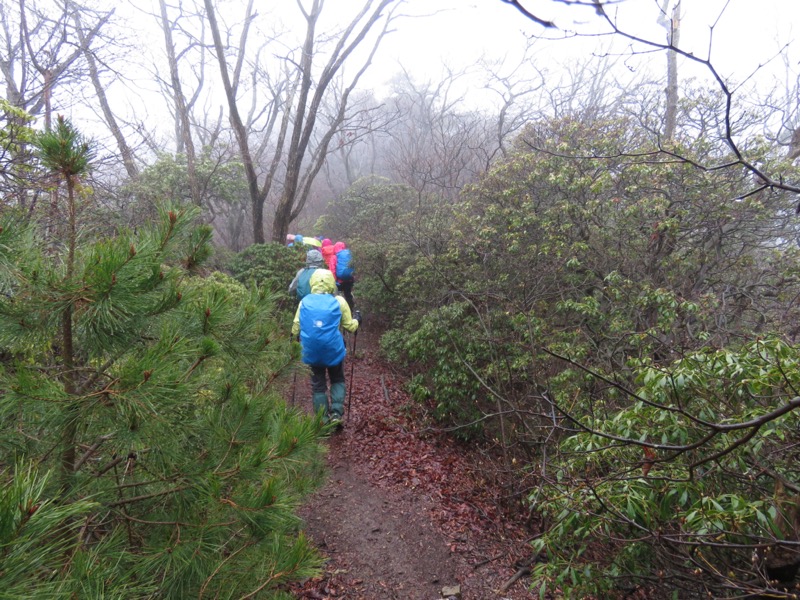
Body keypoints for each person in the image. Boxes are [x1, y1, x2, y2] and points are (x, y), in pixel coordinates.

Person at [292, 269, 360, 427]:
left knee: (318, 385)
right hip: (333, 351)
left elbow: (295, 328)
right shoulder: (339, 301)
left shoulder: (304, 302)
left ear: (313, 283)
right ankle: (336, 413)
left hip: (311, 351)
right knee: (337, 379)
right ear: (331, 283)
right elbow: (350, 327)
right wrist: (357, 319)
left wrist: (295, 340)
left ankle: (322, 420)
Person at [333, 241, 355, 311]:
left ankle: (340, 310)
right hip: (349, 279)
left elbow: (333, 270)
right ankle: (350, 310)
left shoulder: (335, 256)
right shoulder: (349, 254)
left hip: (339, 281)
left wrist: (334, 281)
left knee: (338, 297)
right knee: (348, 294)